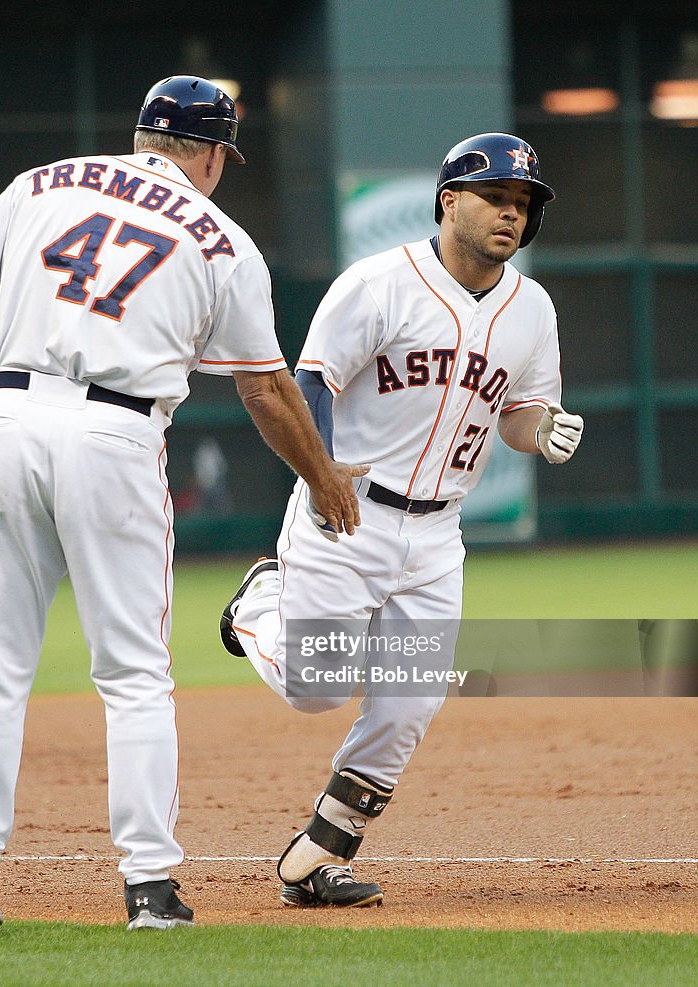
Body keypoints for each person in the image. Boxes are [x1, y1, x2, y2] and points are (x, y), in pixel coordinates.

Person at [0, 75, 365, 936]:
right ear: (211, 153)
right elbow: (266, 390)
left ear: (146, 134)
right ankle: (149, 889)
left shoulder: (40, 182)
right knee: (134, 674)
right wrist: (325, 477)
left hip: (0, 419)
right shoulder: (223, 238)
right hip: (112, 435)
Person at [220, 133, 585, 909]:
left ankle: (318, 855)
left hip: (437, 533)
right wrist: (318, 475)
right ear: (449, 200)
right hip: (348, 509)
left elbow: (518, 410)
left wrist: (540, 425)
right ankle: (255, 605)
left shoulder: (533, 308)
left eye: (522, 205)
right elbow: (311, 379)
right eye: (496, 198)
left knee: (410, 699)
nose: (511, 216)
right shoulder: (380, 282)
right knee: (316, 688)